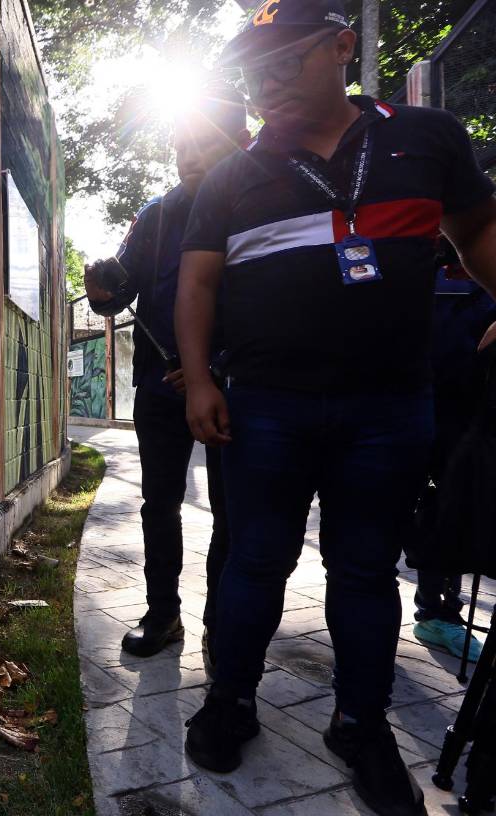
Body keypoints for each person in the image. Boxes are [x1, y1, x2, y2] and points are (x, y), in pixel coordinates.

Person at [173, 2, 496, 814]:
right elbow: (199, 283)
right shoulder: (231, 175)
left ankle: (361, 722)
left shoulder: (424, 138)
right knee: (254, 561)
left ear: (343, 48)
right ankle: (230, 702)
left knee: (364, 571)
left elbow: (478, 231)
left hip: (389, 407)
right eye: (254, 72)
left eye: (285, 62)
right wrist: (201, 379)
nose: (267, 84)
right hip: (266, 406)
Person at [83, 87, 249, 664]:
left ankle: (222, 622)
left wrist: (214, 368)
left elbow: (279, 304)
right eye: (183, 146)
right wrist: (100, 288)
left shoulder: (260, 209)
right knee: (159, 504)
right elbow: (118, 290)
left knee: (232, 510)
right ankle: (163, 614)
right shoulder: (155, 216)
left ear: (242, 142)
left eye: (207, 145)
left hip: (236, 388)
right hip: (159, 386)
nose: (193, 158)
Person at [412, 252, 495, 661]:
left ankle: (438, 612)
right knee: (370, 534)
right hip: (395, 412)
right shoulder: (409, 261)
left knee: (448, 516)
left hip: (464, 423)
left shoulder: (486, 274)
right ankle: (360, 613)